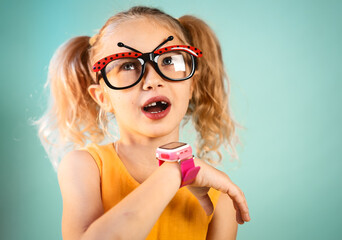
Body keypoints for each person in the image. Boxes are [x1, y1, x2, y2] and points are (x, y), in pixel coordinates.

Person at [37, 6, 250, 240]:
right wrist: (175, 172)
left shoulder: (218, 198)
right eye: (128, 65)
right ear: (103, 97)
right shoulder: (84, 167)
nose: (152, 80)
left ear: (192, 85)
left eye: (169, 59)